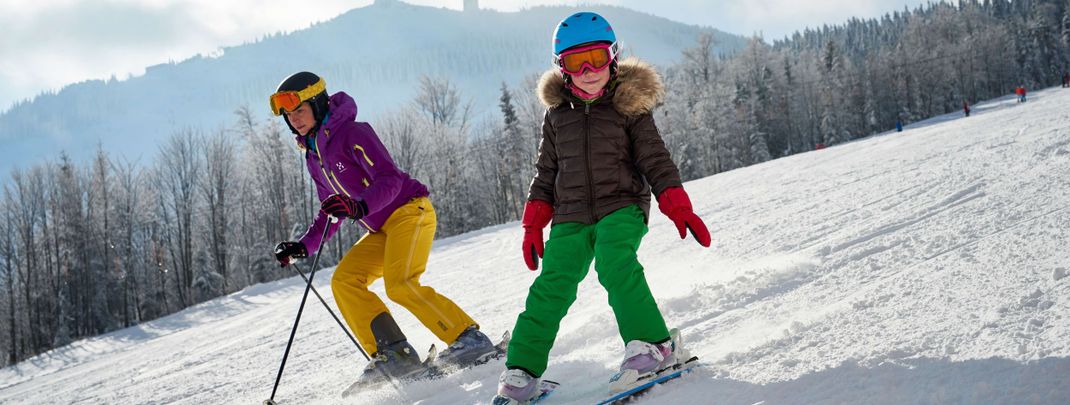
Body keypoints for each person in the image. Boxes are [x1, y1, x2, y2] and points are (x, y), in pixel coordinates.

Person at [494, 12, 710, 403]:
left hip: (622, 204)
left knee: (614, 262)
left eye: (597, 57)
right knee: (551, 283)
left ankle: (654, 345)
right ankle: (522, 369)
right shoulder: (557, 115)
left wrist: (677, 204)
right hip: (570, 214)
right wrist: (533, 224)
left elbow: (655, 159)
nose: (590, 70)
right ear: (562, 68)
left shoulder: (630, 106)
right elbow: (545, 173)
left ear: (613, 56)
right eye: (578, 62)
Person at [269, 72, 495, 385]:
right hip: (381, 228)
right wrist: (303, 246)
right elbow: (330, 210)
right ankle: (395, 354)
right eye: (289, 116)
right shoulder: (313, 156)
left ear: (318, 105)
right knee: (345, 281)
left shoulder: (353, 133)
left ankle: (468, 338)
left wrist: (359, 206)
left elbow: (390, 179)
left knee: (399, 283)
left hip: (410, 211)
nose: (294, 120)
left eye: (300, 111)